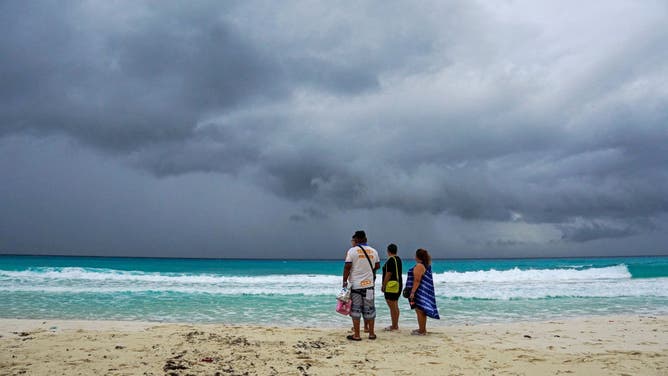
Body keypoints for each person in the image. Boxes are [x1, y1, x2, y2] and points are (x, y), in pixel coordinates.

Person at [342, 230, 380, 341]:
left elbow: (347, 267)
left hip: (356, 286)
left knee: (356, 310)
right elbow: (377, 265)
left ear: (357, 239)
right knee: (370, 309)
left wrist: (344, 281)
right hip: (369, 286)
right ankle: (371, 334)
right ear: (365, 239)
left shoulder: (352, 251)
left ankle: (357, 335)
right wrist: (367, 270)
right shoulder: (373, 251)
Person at [406, 248, 440, 335]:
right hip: (423, 291)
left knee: (419, 310)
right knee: (421, 310)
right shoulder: (425, 265)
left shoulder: (419, 266)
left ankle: (422, 331)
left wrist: (413, 292)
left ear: (418, 256)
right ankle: (422, 329)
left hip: (419, 291)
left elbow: (417, 280)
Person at [381, 243, 402, 331]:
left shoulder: (390, 260)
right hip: (398, 284)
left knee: (392, 306)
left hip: (391, 286)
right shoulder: (398, 259)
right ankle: (395, 324)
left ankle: (394, 326)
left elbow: (388, 274)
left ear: (388, 251)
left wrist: (383, 285)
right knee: (395, 305)